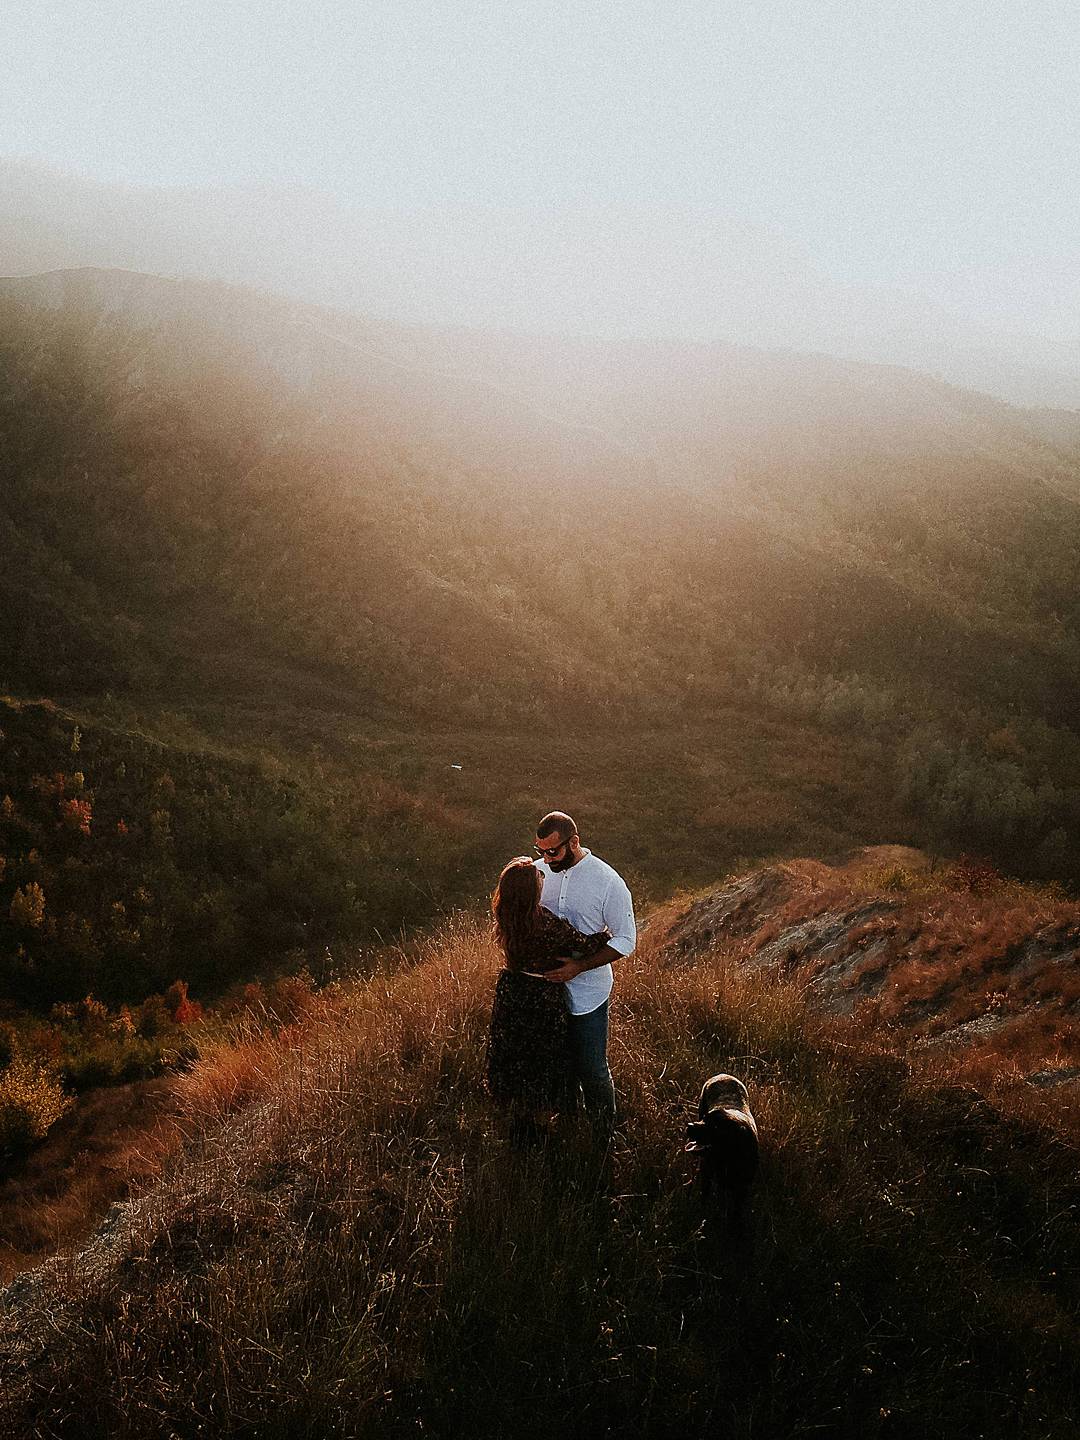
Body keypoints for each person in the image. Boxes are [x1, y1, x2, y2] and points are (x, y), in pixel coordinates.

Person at [486, 856, 612, 1144]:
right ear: (532, 893)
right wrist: (606, 933)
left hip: (512, 992)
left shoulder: (505, 913)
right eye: (539, 879)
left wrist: (521, 867)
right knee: (545, 1060)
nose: (544, 879)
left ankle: (520, 1120)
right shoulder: (546, 924)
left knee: (517, 1055)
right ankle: (542, 1128)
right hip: (541, 996)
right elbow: (584, 944)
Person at [532, 811, 636, 1135]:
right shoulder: (536, 872)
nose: (546, 859)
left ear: (573, 842)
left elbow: (626, 939)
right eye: (540, 851)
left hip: (588, 994)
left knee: (592, 1069)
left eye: (553, 851)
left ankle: (604, 1134)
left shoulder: (607, 881)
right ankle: (569, 1125)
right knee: (558, 1067)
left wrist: (579, 967)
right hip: (545, 994)